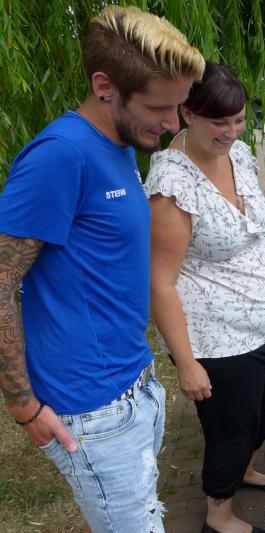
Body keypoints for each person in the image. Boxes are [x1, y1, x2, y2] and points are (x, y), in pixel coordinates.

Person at [0, 6, 204, 533]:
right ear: (104, 87)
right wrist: (24, 407)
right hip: (92, 410)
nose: (173, 124)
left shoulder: (120, 143)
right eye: (159, 107)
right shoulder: (60, 156)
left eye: (178, 106)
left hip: (134, 384)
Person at [146, 63, 265, 533]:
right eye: (219, 122)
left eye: (239, 119)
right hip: (218, 339)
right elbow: (160, 282)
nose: (231, 131)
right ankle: (219, 514)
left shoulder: (239, 154)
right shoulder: (173, 187)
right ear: (187, 113)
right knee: (231, 430)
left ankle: (244, 469)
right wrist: (187, 364)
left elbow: (251, 224)